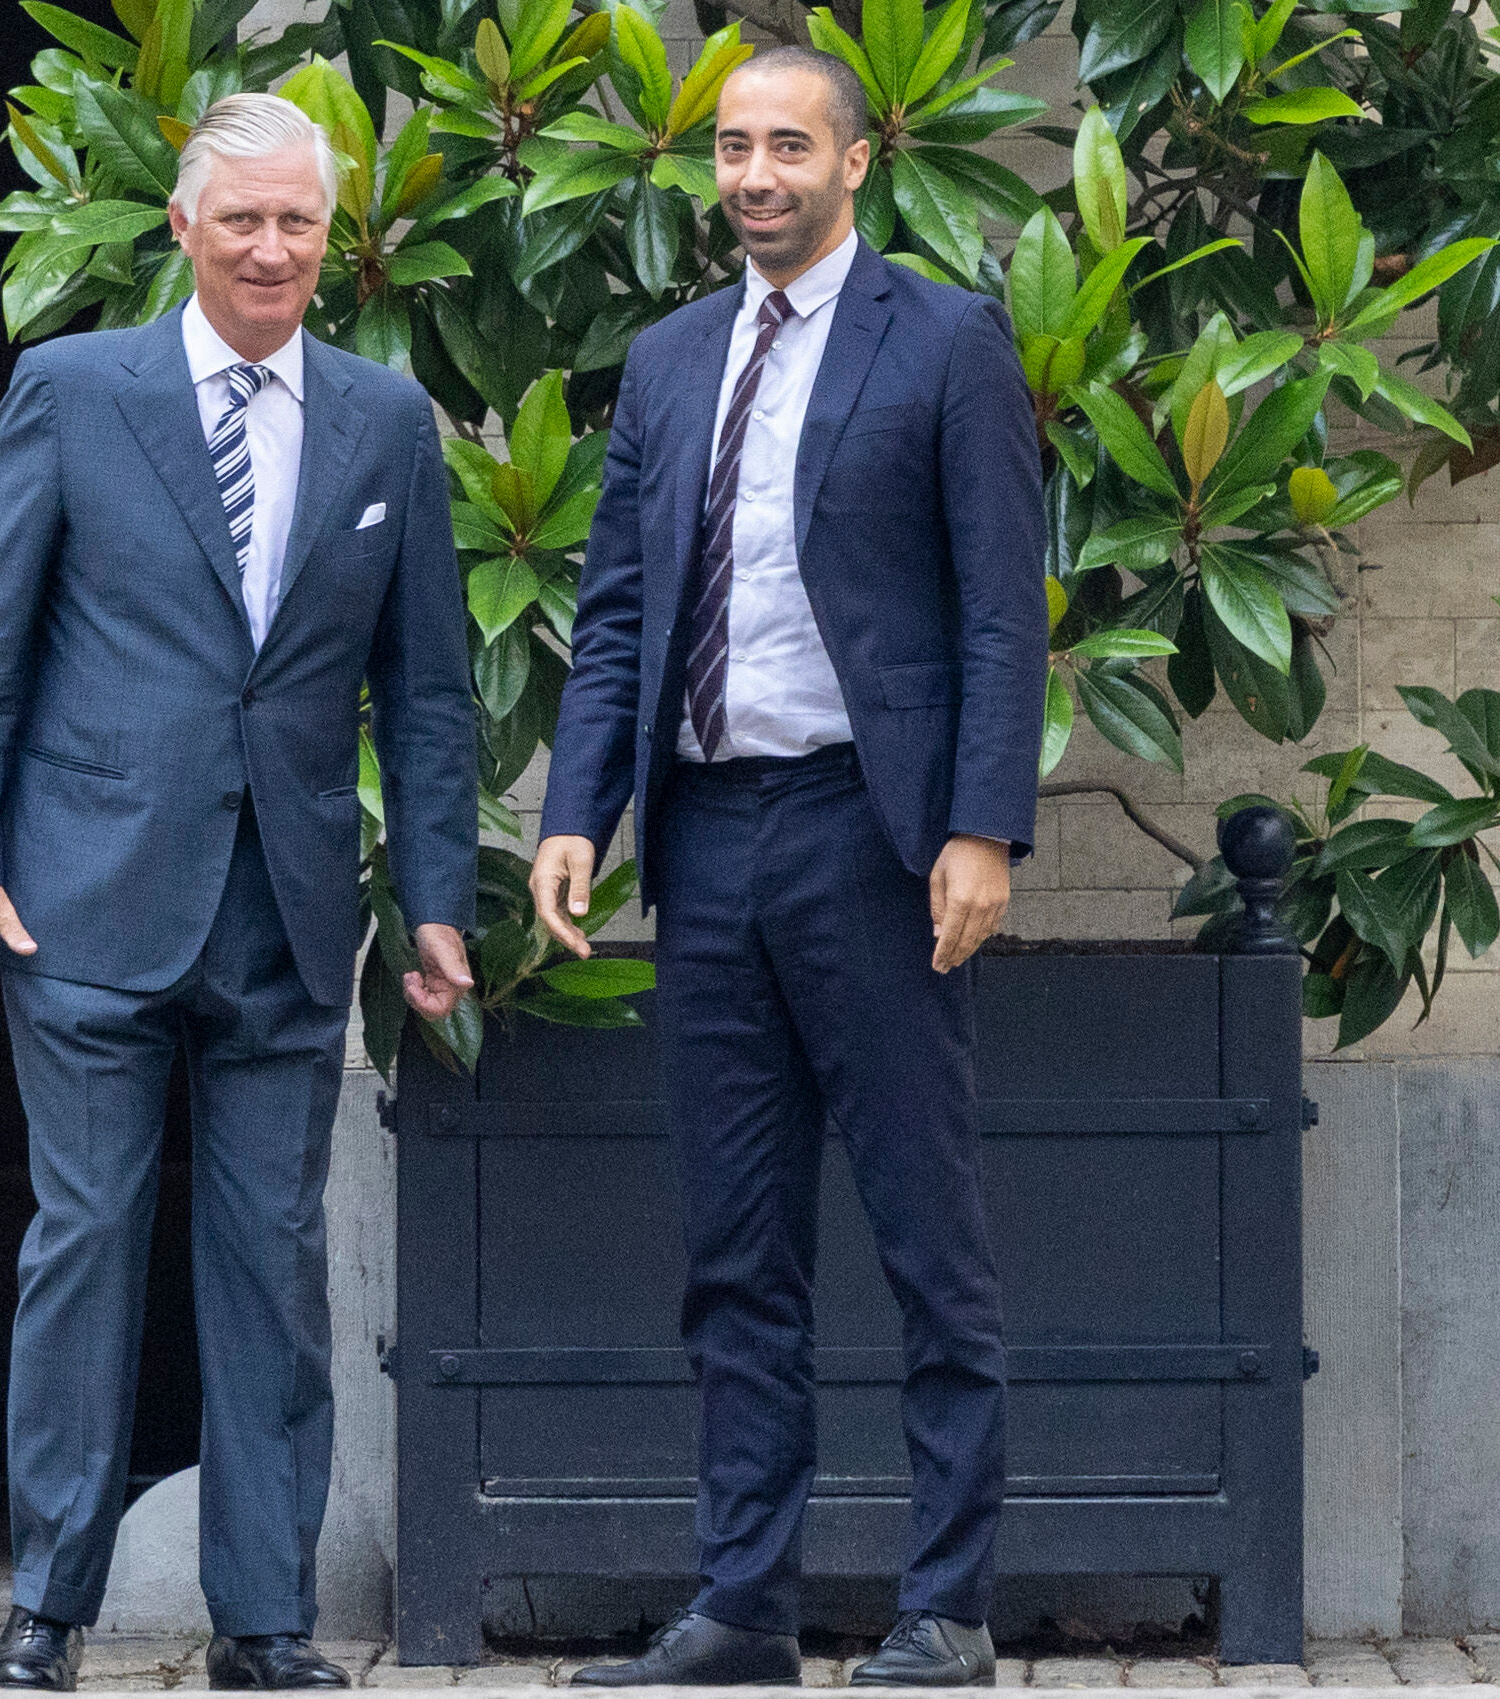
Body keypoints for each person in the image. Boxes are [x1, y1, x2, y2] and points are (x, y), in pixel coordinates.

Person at [0, 92, 477, 1693]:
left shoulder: (385, 420)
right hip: (81, 896)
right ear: (181, 228)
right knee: (86, 1243)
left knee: (270, 1267)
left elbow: (428, 692)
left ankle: (267, 1624)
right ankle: (48, 1610)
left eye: (298, 221)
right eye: (242, 220)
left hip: (285, 911)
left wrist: (437, 896)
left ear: (331, 238)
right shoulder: (73, 391)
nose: (271, 249)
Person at [529, 45, 1046, 1690]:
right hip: (707, 838)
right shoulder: (670, 358)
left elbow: (1001, 609)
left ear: (854, 161)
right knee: (735, 1250)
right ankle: (744, 1604)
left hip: (868, 838)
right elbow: (621, 611)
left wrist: (982, 827)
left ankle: (948, 1607)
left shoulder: (946, 341)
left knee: (928, 1243)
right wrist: (574, 811)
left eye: (788, 147)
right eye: (734, 149)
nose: (756, 176)